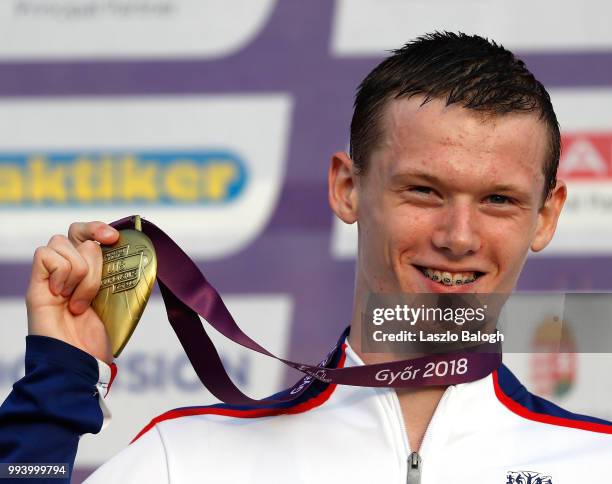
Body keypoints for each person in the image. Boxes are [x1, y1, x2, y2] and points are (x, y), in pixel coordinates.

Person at [1, 32, 611, 483]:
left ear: (548, 215)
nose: (458, 236)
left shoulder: (596, 462)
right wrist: (57, 387)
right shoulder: (187, 459)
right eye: (423, 191)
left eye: (499, 200)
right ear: (347, 188)